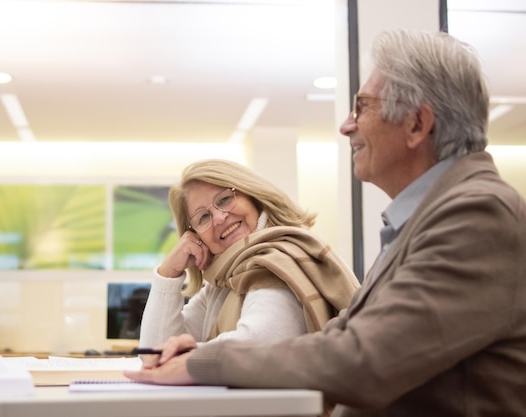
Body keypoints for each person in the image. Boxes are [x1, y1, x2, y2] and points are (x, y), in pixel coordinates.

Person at [124, 28, 526, 417]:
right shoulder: (425, 220)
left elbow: (365, 359)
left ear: (417, 125)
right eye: (204, 217)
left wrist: (202, 362)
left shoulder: (477, 214)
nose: (346, 125)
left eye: (362, 107)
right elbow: (343, 338)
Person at [138, 159, 360, 352]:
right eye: (203, 217)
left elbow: (258, 344)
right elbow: (155, 351)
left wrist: (184, 356)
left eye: (224, 199)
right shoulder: (223, 282)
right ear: (196, 236)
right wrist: (169, 273)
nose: (218, 217)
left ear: (253, 197)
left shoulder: (276, 262)